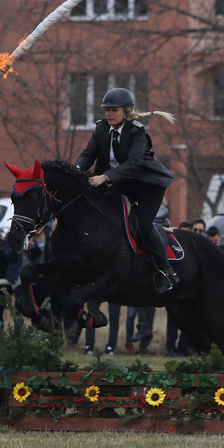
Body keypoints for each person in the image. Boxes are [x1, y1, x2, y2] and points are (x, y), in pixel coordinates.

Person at [74, 87, 178, 294]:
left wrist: (104, 177)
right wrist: (74, 171)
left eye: (114, 110)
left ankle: (166, 272)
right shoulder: (101, 129)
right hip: (126, 182)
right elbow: (88, 155)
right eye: (107, 110)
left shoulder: (137, 131)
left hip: (149, 184)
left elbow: (133, 164)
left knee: (143, 223)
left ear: (126, 111)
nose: (109, 114)